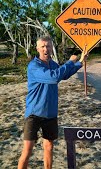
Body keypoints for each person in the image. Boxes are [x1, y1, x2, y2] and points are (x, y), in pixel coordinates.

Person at [18, 36, 87, 169]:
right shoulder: (34, 66)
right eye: (43, 46)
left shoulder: (53, 64)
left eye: (48, 46)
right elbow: (54, 77)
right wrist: (70, 62)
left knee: (49, 146)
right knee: (27, 150)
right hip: (34, 112)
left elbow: (64, 75)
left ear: (51, 48)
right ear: (37, 48)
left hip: (50, 113)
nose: (46, 49)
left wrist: (80, 63)